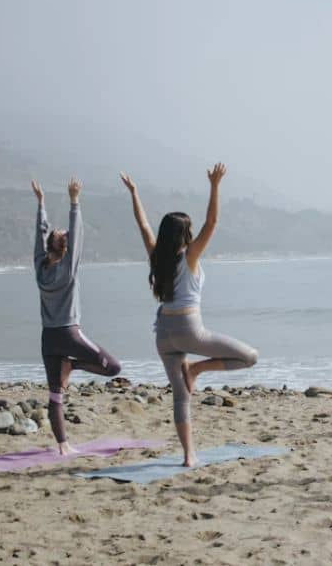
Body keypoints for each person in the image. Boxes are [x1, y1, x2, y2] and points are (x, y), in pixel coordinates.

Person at [120, 164, 257, 467]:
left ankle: (189, 456)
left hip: (163, 333)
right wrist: (215, 185)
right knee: (249, 357)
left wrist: (134, 193)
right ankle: (196, 369)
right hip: (189, 329)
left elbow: (142, 226)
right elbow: (213, 222)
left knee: (180, 397)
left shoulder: (157, 256)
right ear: (185, 234)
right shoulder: (190, 256)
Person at [32, 177, 122, 455]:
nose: (65, 235)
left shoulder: (40, 266)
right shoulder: (68, 268)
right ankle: (74, 367)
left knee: (55, 394)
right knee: (113, 368)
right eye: (64, 236)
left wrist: (42, 204)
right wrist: (74, 201)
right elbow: (77, 232)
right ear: (64, 248)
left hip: (49, 338)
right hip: (70, 334)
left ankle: (63, 446)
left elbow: (40, 233)